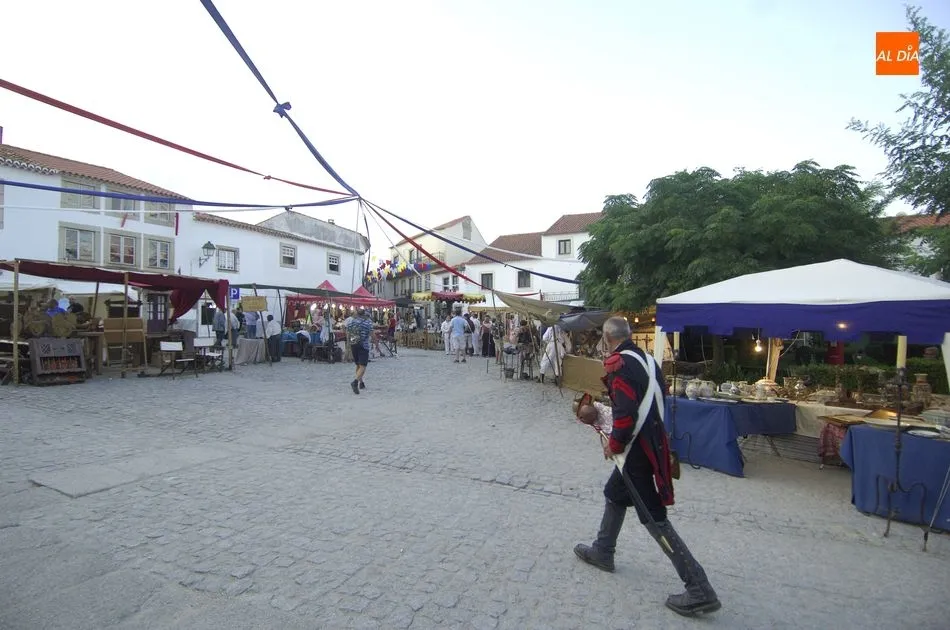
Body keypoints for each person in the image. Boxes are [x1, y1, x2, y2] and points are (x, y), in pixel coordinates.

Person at [573, 316, 720, 617]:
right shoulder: (649, 361)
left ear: (608, 338)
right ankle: (603, 550)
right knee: (614, 493)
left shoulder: (619, 365)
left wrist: (614, 445)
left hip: (636, 451)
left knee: (654, 517)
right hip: (650, 442)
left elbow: (626, 414)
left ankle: (698, 588)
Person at [346, 308, 375, 394]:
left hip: (353, 344)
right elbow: (372, 334)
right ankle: (355, 382)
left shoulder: (351, 320)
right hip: (363, 345)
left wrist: (348, 344)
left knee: (358, 365)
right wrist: (375, 342)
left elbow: (347, 332)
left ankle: (361, 383)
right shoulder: (368, 322)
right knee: (363, 366)